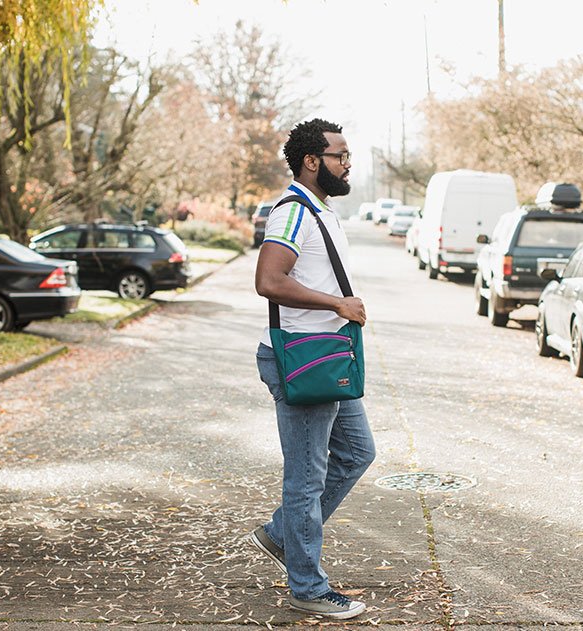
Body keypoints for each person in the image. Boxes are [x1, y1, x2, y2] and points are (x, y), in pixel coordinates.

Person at [251, 118, 375, 619]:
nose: (347, 164)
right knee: (306, 478)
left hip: (325, 353)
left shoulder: (321, 210)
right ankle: (307, 587)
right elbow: (268, 280)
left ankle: (284, 535)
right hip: (303, 358)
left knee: (357, 452)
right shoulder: (293, 212)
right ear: (312, 160)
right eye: (340, 155)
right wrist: (337, 304)